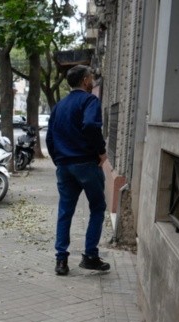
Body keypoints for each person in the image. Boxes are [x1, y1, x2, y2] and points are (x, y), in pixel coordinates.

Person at [45, 64, 111, 276]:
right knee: (98, 207)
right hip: (85, 164)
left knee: (65, 211)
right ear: (85, 80)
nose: (92, 80)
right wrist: (100, 151)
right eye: (91, 77)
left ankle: (61, 260)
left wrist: (59, 160)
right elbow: (91, 125)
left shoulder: (59, 106)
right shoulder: (90, 100)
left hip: (64, 165)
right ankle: (90, 256)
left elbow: (49, 138)